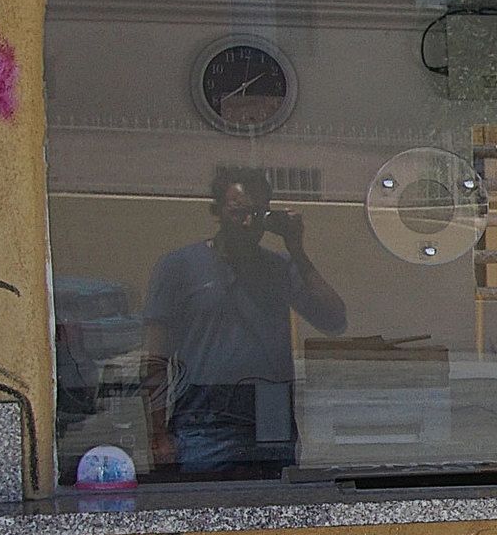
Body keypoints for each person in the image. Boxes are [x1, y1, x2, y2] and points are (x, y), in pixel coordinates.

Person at [145, 166, 349, 478]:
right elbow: (156, 359)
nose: (247, 223)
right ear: (217, 211)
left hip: (270, 412)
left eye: (257, 214)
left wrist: (297, 250)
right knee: (204, 501)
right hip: (205, 414)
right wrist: (158, 434)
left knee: (274, 502)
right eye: (238, 213)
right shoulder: (179, 267)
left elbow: (334, 320)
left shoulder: (278, 268)